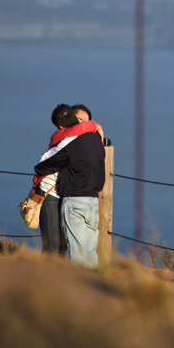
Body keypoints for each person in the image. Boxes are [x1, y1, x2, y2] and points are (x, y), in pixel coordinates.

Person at [35, 104, 106, 268]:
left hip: (75, 201)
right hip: (93, 201)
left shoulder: (69, 143)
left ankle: (79, 288)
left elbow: (42, 166)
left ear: (60, 127)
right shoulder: (95, 138)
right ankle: (93, 286)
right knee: (89, 251)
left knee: (78, 253)